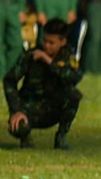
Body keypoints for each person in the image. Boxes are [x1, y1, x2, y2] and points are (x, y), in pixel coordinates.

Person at [5, 18, 83, 149]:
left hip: (53, 108)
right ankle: (25, 139)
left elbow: (74, 78)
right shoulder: (31, 55)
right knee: (18, 126)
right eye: (44, 41)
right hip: (30, 108)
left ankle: (61, 137)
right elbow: (9, 81)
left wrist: (48, 61)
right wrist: (16, 110)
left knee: (74, 95)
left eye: (51, 43)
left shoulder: (68, 56)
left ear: (63, 42)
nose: (46, 45)